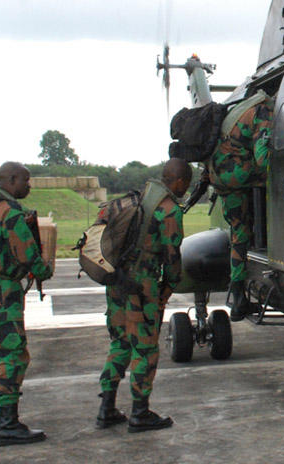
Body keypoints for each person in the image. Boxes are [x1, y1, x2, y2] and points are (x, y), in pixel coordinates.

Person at [96, 158, 190, 432]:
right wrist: (167, 288)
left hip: (116, 282)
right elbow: (172, 258)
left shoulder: (133, 200)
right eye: (187, 183)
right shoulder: (169, 210)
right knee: (145, 348)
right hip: (142, 286)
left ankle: (107, 407)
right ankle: (140, 412)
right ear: (180, 182)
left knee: (120, 343)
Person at [0, 161, 53, 446]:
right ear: (12, 179)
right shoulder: (10, 213)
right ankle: (8, 424)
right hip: (4, 291)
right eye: (26, 181)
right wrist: (45, 270)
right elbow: (28, 254)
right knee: (13, 354)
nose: (29, 186)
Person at [208, 91, 275, 321]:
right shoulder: (264, 110)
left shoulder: (245, 106)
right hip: (234, 172)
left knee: (240, 230)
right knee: (276, 178)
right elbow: (262, 159)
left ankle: (237, 293)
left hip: (219, 174)